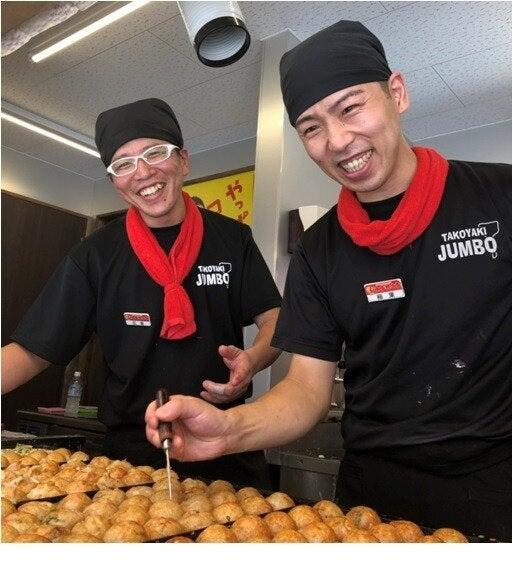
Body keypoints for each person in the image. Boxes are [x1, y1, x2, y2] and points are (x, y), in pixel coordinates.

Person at [145, 21, 511, 539]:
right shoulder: (320, 250)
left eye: (351, 107)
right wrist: (228, 430)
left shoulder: (500, 196)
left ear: (398, 94)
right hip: (371, 496)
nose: (338, 141)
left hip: (498, 484)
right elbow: (306, 389)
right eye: (311, 127)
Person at [1, 98, 282, 488]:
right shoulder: (96, 255)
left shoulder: (232, 240)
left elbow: (275, 320)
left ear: (183, 160)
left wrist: (252, 360)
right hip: (130, 458)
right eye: (124, 164)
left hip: (226, 443)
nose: (143, 172)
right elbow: (33, 349)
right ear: (115, 183)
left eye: (155, 153)